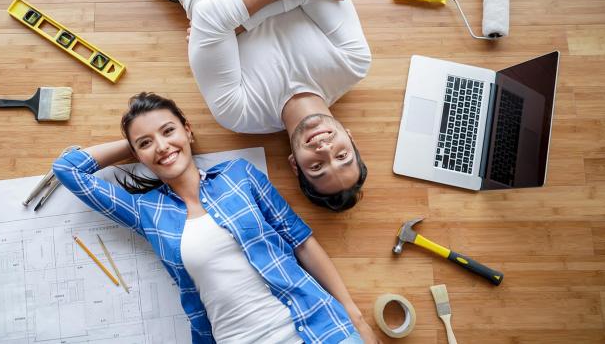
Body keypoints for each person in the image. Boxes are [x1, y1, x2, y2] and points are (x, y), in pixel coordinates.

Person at [95, 0, 372, 211]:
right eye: (342, 156)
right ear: (352, 140)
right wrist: (228, 30)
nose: (324, 150)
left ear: (295, 164)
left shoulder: (239, 115)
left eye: (317, 167)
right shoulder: (352, 64)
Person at [53, 92, 380, 344]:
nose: (163, 145)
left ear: (188, 130)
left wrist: (354, 314)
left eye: (169, 131)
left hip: (321, 329)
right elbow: (69, 169)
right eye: (146, 143)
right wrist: (136, 146)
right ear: (136, 154)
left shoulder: (239, 175)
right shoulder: (147, 212)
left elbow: (302, 242)